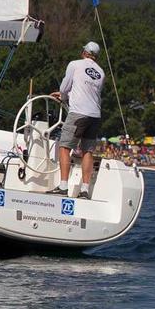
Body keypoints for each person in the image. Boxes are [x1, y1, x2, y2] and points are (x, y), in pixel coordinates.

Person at [49, 41, 106, 199]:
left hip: (78, 114)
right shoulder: (101, 73)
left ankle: (63, 187)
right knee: (88, 151)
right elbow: (90, 92)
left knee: (65, 147)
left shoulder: (75, 64)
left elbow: (64, 88)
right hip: (95, 115)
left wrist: (64, 98)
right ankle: (85, 190)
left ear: (84, 53)